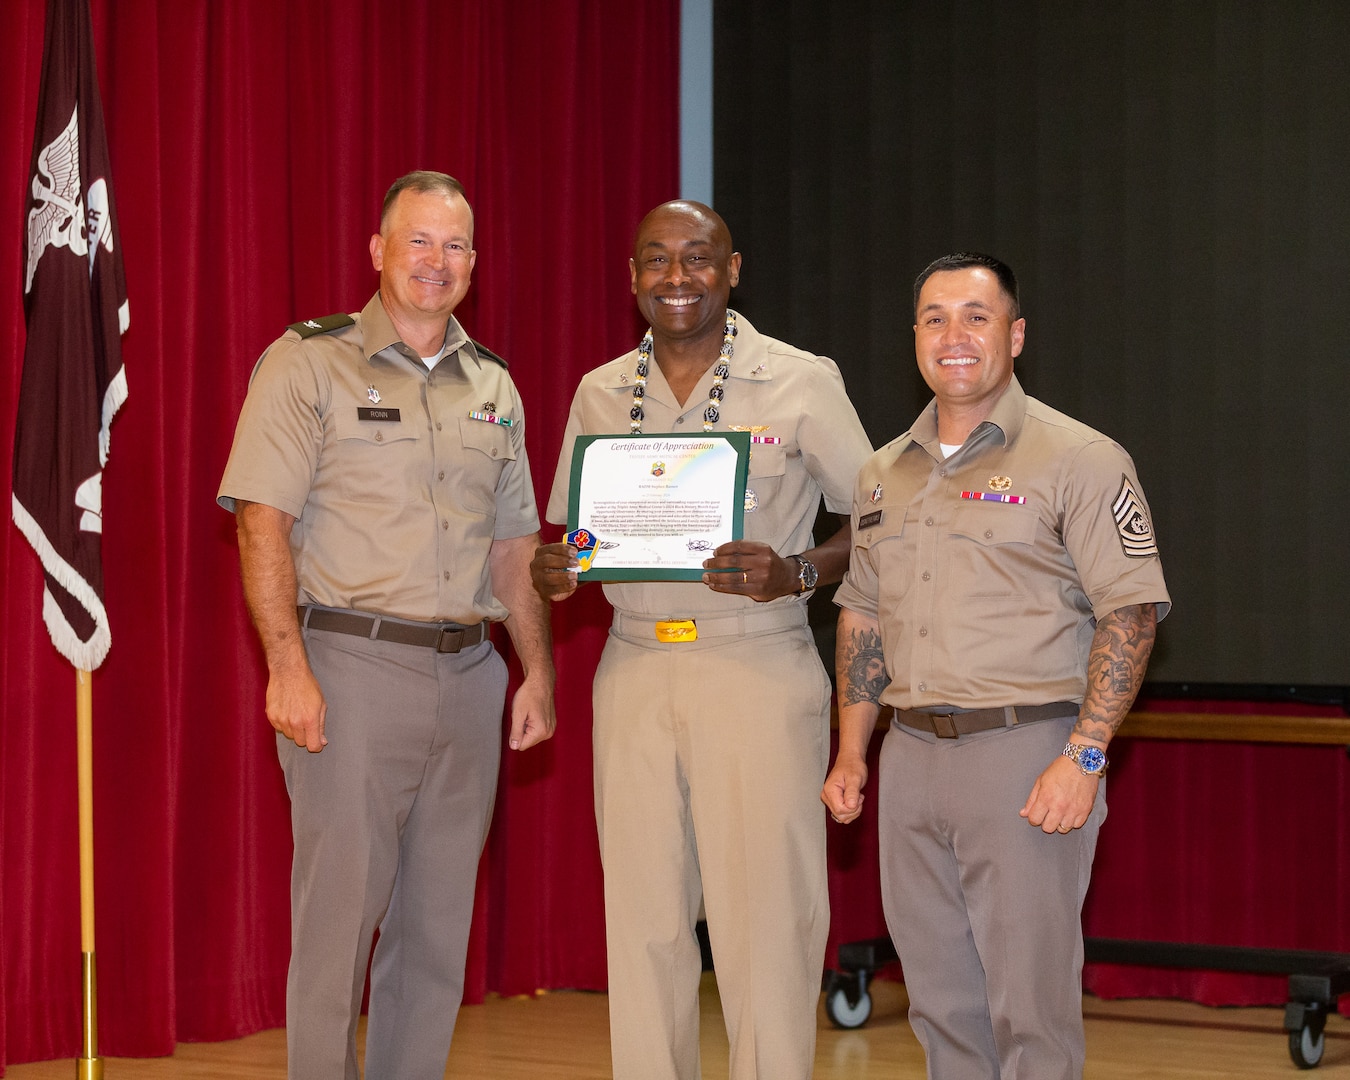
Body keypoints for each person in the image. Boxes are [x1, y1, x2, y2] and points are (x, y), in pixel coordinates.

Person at [217, 170, 556, 1080]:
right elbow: (262, 522)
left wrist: (537, 674)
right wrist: (287, 670)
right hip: (352, 669)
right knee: (339, 928)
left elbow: (515, 545)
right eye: (417, 240)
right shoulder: (308, 361)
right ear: (377, 250)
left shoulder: (496, 385)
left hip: (470, 675)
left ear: (474, 264)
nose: (434, 261)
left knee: (437, 934)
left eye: (454, 246)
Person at [530, 201, 872, 1080]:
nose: (675, 277)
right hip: (634, 666)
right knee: (641, 924)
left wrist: (795, 571)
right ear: (633, 275)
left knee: (764, 923)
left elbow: (882, 522)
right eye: (656, 260)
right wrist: (556, 568)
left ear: (733, 269)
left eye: (697, 258)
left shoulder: (799, 381)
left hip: (753, 664)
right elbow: (569, 533)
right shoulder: (602, 388)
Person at [822, 252, 1170, 1080]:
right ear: (915, 336)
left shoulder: (1079, 458)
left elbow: (1130, 615)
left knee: (1029, 1012)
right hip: (909, 760)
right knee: (942, 1006)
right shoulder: (881, 474)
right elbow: (863, 616)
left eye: (976, 316)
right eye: (935, 317)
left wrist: (1084, 757)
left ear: (1015, 335)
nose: (954, 336)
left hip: (1027, 759)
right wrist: (850, 752)